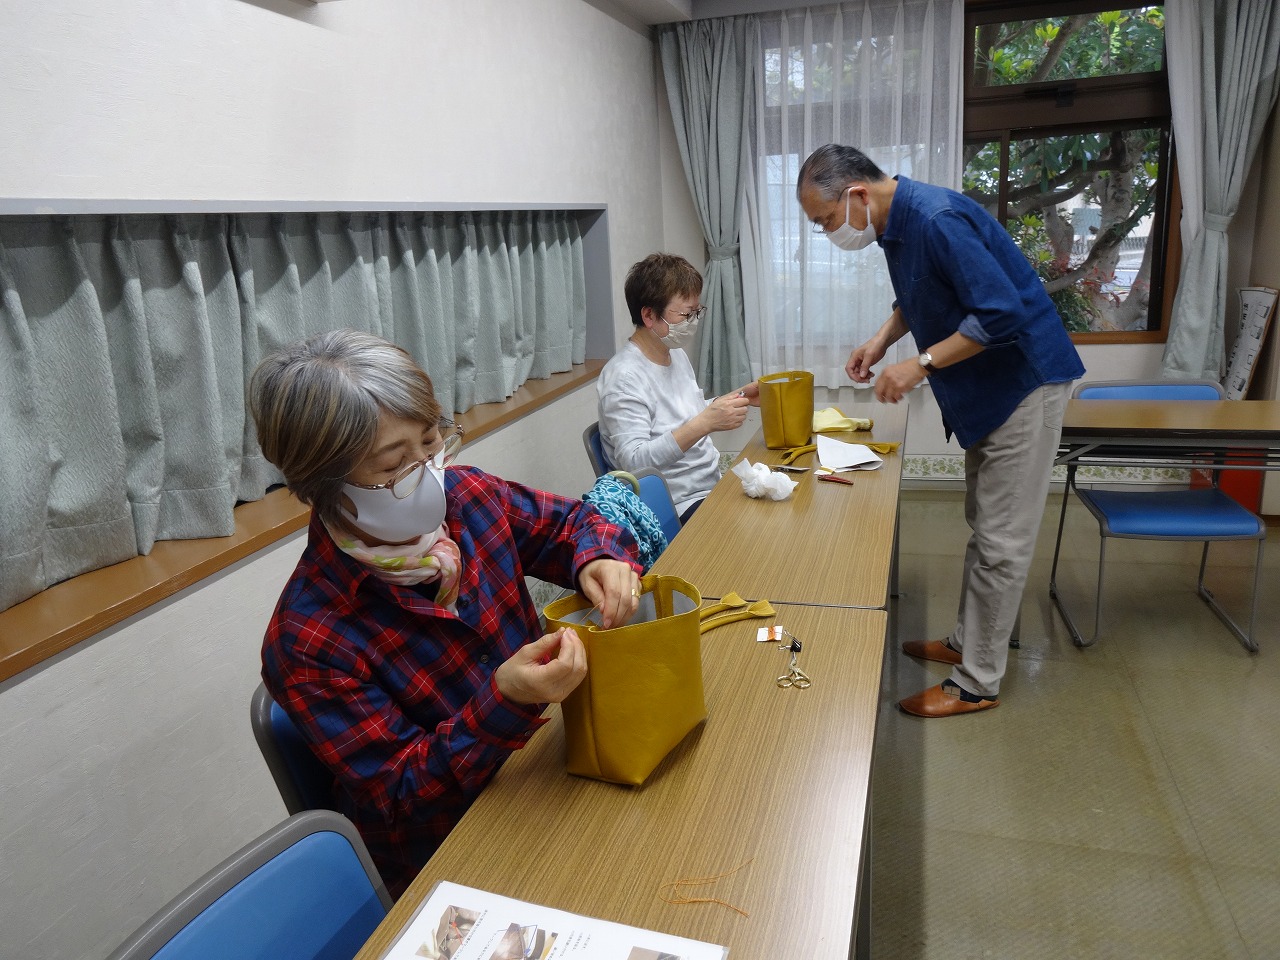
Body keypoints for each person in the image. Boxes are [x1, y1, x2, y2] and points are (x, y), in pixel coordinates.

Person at [248, 329, 641, 895]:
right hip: (456, 856)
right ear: (323, 485)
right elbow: (398, 796)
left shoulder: (470, 498)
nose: (430, 473)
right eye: (395, 465)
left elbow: (574, 524)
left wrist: (598, 558)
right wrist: (505, 701)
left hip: (548, 769)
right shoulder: (309, 638)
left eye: (431, 442)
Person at [797, 143, 1085, 718]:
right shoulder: (895, 224)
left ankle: (976, 682)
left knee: (1001, 542)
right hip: (988, 389)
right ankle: (966, 642)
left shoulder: (935, 219)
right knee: (984, 525)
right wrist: (882, 341)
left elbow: (1001, 313)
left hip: (1023, 385)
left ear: (856, 194)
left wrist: (920, 364)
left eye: (826, 220)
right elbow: (920, 296)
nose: (829, 232)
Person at [596, 253, 759, 522]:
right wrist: (705, 424)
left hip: (708, 486)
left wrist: (739, 396)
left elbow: (683, 416)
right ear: (649, 315)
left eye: (696, 312)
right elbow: (634, 462)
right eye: (685, 314)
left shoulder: (674, 353)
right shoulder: (624, 378)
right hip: (674, 505)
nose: (692, 321)